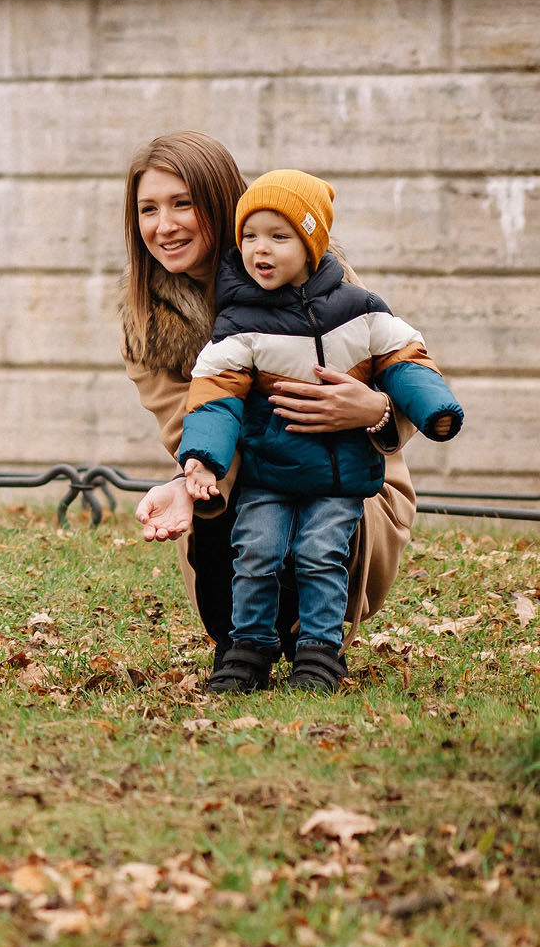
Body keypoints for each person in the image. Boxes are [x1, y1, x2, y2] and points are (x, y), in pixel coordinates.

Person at [119, 132, 418, 662]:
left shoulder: (316, 275)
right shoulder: (147, 324)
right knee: (221, 511)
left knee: (316, 530)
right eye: (148, 209)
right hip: (249, 477)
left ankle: (315, 633)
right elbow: (184, 428)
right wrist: (188, 480)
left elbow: (405, 367)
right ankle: (251, 638)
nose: (164, 226)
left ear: (219, 201)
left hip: (349, 479)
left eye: (182, 203)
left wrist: (378, 411)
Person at [175, 172, 463, 693]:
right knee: (256, 549)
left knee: (321, 553)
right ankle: (249, 647)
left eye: (279, 237)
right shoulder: (240, 323)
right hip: (269, 474)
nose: (260, 250)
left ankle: (319, 651)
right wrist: (201, 458)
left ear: (312, 244)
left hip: (338, 476)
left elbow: (406, 358)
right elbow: (215, 393)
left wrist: (433, 407)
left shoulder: (361, 309)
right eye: (250, 237)